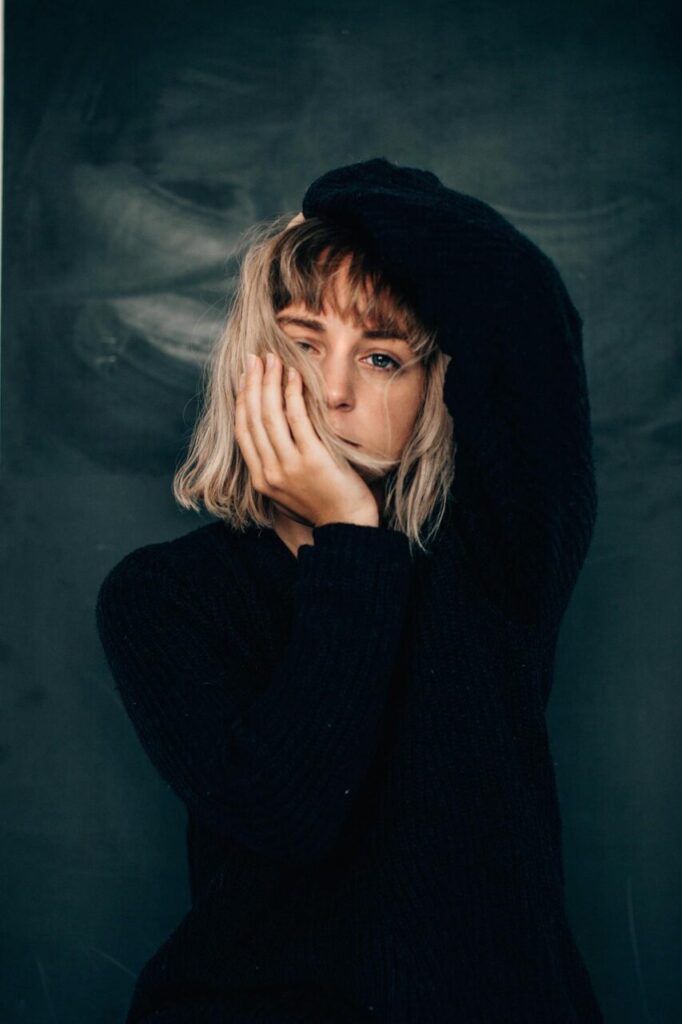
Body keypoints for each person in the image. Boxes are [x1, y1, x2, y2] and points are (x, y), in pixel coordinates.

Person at [95, 157, 604, 1022]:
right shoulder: (166, 597)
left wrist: (340, 202)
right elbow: (291, 813)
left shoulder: (495, 560)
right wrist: (347, 538)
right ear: (253, 365)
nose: (331, 393)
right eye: (300, 345)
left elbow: (520, 303)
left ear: (432, 388)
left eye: (381, 357)